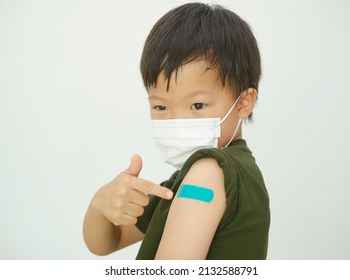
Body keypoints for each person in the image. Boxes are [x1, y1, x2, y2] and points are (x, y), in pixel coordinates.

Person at [83, 2, 270, 260]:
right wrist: (100, 205)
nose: (177, 121)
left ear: (243, 102)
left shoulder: (207, 173)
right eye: (160, 106)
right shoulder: (181, 182)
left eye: (197, 105)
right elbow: (106, 242)